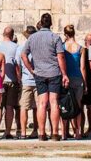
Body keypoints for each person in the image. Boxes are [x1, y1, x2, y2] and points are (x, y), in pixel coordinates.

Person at [20, 13, 69, 141]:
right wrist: (64, 74)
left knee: (41, 103)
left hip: (39, 73)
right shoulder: (55, 37)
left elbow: (23, 55)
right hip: (54, 73)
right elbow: (60, 57)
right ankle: (54, 133)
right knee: (54, 103)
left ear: (41, 23)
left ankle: (41, 133)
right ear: (51, 23)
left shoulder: (32, 38)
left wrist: (31, 69)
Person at [62, 25, 86, 140]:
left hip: (65, 78)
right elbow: (82, 68)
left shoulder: (62, 47)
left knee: (65, 105)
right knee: (78, 106)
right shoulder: (81, 48)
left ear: (65, 35)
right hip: (78, 78)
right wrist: (85, 83)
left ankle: (64, 133)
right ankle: (78, 132)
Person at [0, 27, 21, 139]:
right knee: (10, 106)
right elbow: (17, 64)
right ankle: (7, 131)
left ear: (3, 34)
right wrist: (19, 78)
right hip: (12, 80)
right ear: (12, 35)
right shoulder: (16, 47)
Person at [16, 26, 38, 139]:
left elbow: (17, 65)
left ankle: (23, 132)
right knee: (38, 107)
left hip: (26, 80)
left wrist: (19, 78)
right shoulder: (38, 47)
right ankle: (36, 130)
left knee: (24, 107)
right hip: (38, 80)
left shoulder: (21, 48)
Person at [81, 32, 91, 138]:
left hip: (88, 82)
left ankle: (89, 128)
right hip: (88, 81)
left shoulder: (86, 51)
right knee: (89, 107)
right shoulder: (85, 51)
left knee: (89, 107)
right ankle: (89, 128)